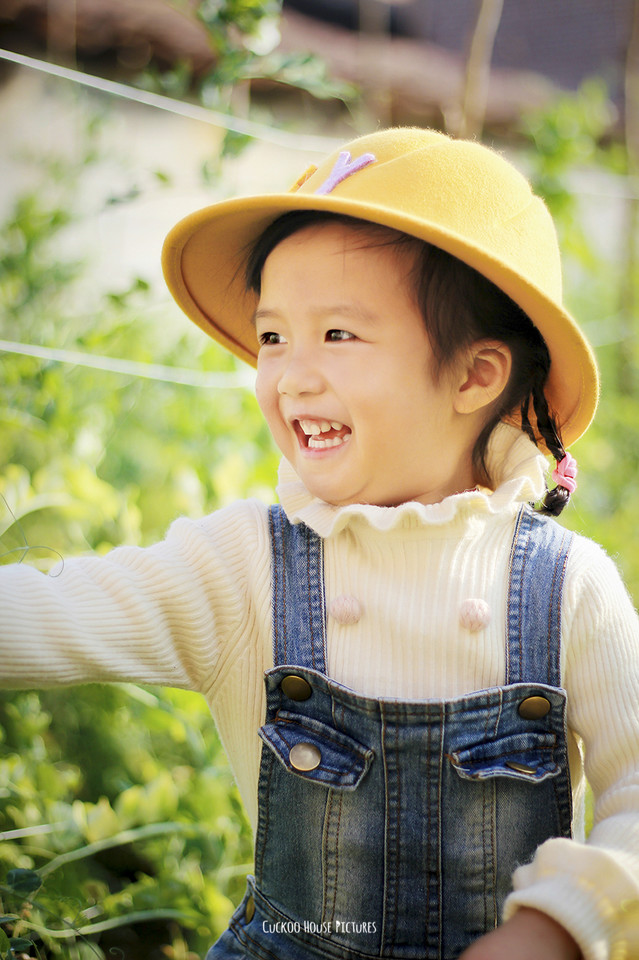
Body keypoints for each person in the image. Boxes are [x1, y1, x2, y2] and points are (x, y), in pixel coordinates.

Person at [1, 127, 638, 960]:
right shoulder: (243, 568)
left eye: (337, 335)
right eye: (272, 337)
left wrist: (560, 923)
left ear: (474, 375)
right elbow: (42, 612)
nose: (291, 375)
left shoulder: (567, 587)